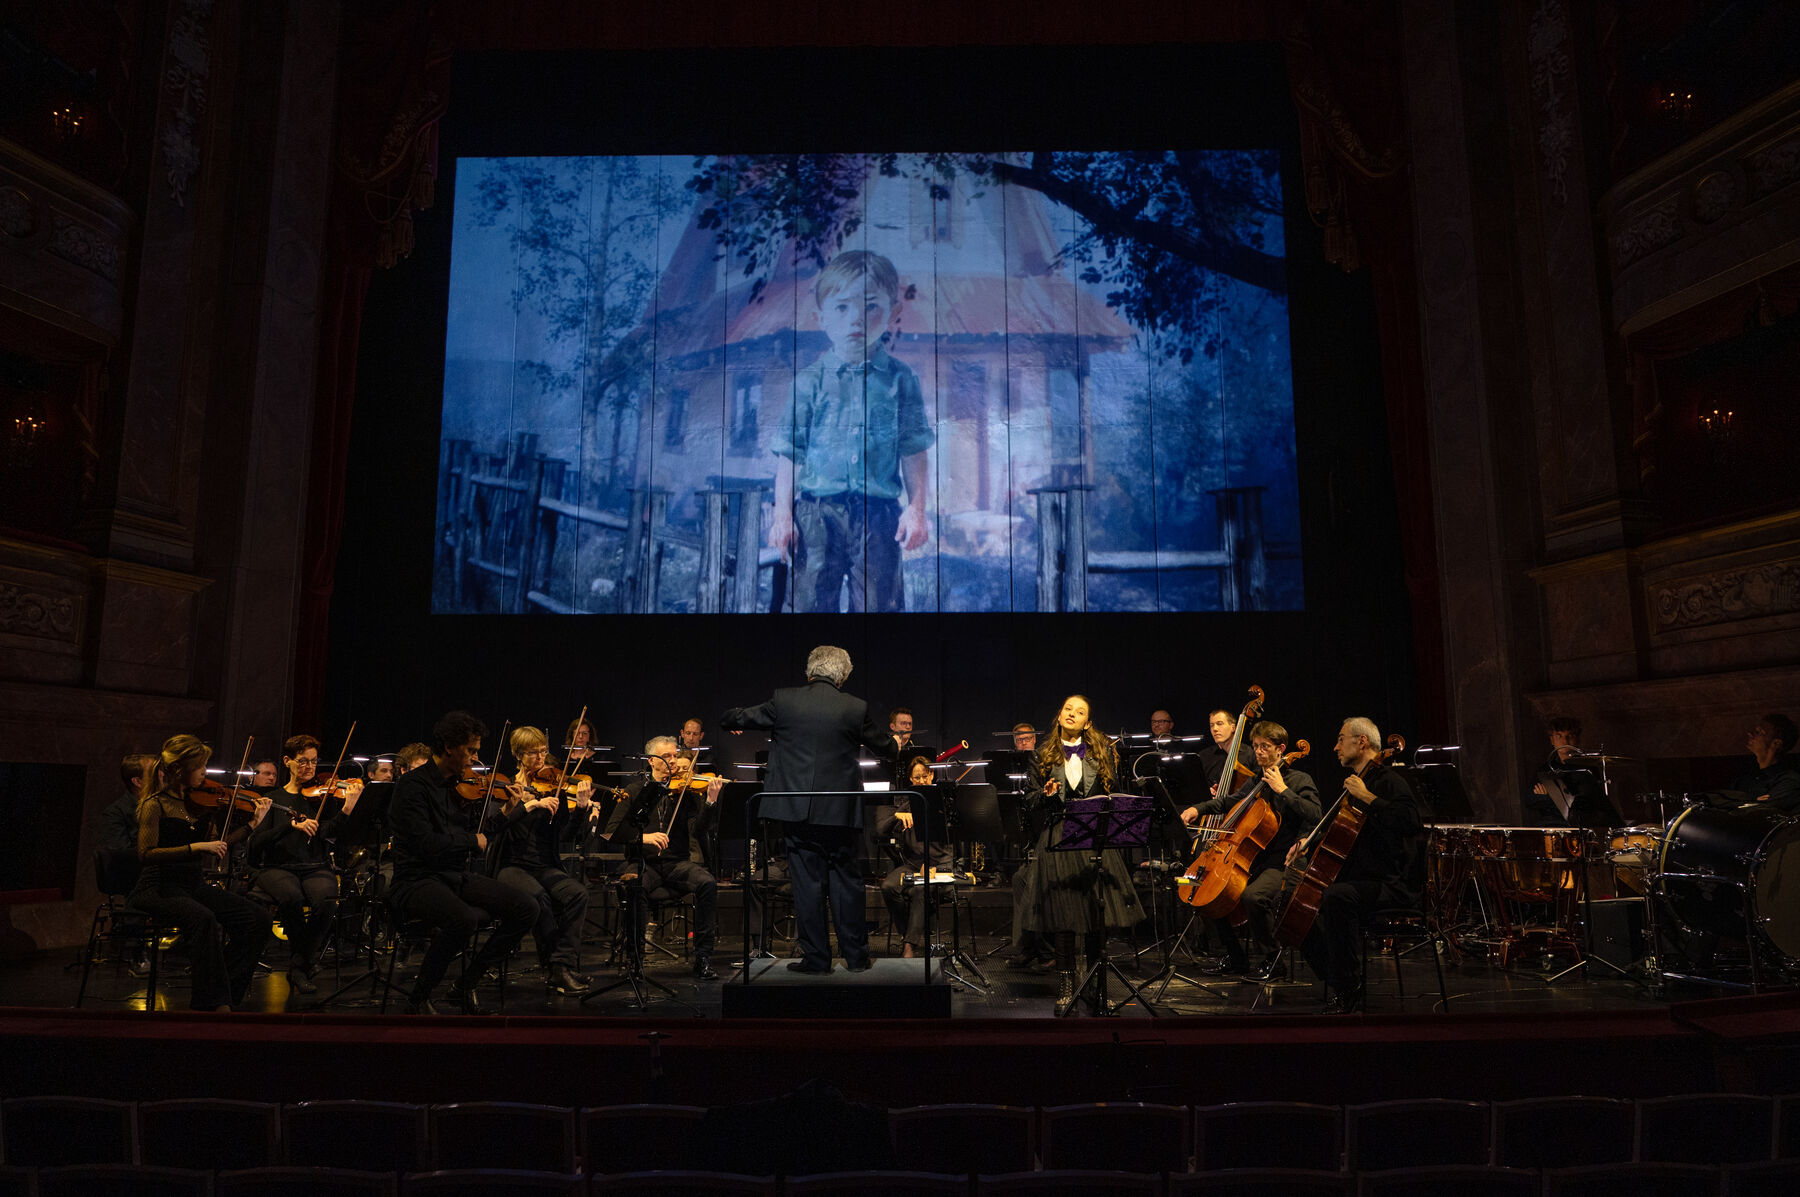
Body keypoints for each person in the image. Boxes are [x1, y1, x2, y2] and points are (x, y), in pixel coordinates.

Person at [768, 250, 935, 613]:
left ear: (893, 312)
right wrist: (783, 517)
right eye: (842, 307)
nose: (856, 318)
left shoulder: (901, 380)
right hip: (815, 515)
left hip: (879, 518)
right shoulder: (807, 383)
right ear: (821, 317)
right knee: (809, 607)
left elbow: (914, 449)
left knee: (880, 608)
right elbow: (790, 455)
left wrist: (917, 510)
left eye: (871, 306)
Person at [721, 644, 894, 972]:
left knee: (808, 885)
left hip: (795, 810)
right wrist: (895, 743)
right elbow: (887, 748)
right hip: (840, 812)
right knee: (847, 883)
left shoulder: (784, 701)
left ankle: (816, 959)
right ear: (842, 676)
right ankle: (856, 958)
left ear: (810, 671)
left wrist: (731, 720)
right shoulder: (854, 707)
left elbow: (735, 717)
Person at [387, 711, 538, 1015]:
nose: (475, 757)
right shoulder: (412, 787)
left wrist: (507, 811)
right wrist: (471, 841)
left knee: (527, 908)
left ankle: (466, 984)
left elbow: (481, 834)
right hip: (415, 879)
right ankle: (419, 997)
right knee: (464, 920)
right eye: (470, 750)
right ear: (448, 747)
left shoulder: (461, 785)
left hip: (453, 875)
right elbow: (427, 844)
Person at [127, 735, 274, 1011]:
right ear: (179, 769)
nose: (205, 772)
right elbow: (146, 854)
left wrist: (252, 825)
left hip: (192, 885)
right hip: (157, 887)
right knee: (203, 918)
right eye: (199, 766)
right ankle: (212, 1002)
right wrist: (194, 847)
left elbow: (217, 845)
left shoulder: (200, 804)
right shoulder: (155, 805)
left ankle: (224, 995)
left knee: (258, 919)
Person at [1290, 717, 1423, 1014]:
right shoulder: (1356, 783)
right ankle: (1338, 979)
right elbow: (1339, 829)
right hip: (1360, 879)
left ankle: (1348, 987)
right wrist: (1308, 842)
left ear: (1361, 742)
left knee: (1337, 897)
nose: (1335, 747)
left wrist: (1367, 797)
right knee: (1293, 900)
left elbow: (1411, 821)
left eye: (1341, 739)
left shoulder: (1389, 781)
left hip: (1390, 883)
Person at [1022, 695, 1146, 1013]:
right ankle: (1067, 986)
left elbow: (1110, 795)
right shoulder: (1041, 755)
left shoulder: (1100, 753)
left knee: (1096, 914)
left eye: (1079, 712)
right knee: (1065, 916)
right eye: (1068, 709)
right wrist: (1047, 795)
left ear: (1087, 723)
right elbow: (1031, 801)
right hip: (1059, 836)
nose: (1072, 714)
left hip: (1093, 835)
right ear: (1059, 715)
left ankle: (1095, 985)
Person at [1178, 720, 1321, 979]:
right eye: (1255, 746)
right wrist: (1197, 808)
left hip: (1284, 861)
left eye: (1265, 746)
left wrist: (1283, 790)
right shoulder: (1257, 781)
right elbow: (1229, 801)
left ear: (1281, 749)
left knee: (1254, 897)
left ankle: (1273, 961)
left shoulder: (1299, 780)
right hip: (1252, 860)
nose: (1258, 751)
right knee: (1204, 892)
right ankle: (1236, 957)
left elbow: (1315, 815)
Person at [602, 735, 724, 980]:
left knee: (707, 883)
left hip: (676, 863)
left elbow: (697, 830)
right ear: (651, 761)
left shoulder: (685, 793)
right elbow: (611, 832)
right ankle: (635, 960)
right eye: (666, 756)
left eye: (674, 755)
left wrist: (710, 802)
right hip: (643, 863)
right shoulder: (634, 791)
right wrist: (645, 838)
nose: (674, 761)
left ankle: (703, 957)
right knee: (634, 885)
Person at [247, 734, 361, 995]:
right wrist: (291, 826)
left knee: (327, 900)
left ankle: (299, 963)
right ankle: (304, 964)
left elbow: (328, 832)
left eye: (313, 761)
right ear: (288, 761)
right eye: (303, 761)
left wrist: (347, 809)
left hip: (315, 865)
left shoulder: (323, 797)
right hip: (278, 867)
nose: (310, 767)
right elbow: (256, 842)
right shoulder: (273, 798)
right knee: (291, 897)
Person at [487, 725, 595, 994]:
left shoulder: (553, 788)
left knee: (578, 894)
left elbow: (566, 835)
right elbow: (494, 828)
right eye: (533, 753)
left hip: (544, 866)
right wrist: (527, 805)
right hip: (512, 866)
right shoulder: (505, 788)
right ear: (518, 755)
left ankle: (561, 965)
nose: (540, 758)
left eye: (543, 752)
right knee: (540, 898)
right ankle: (557, 970)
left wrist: (580, 809)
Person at [879, 756, 954, 958]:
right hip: (914, 864)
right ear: (911, 780)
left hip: (940, 865)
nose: (921, 781)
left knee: (920, 889)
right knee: (888, 887)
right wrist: (896, 816)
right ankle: (907, 935)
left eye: (925, 776)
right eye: (917, 778)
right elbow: (879, 831)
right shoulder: (907, 804)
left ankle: (909, 946)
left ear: (932, 775)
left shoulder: (944, 803)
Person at [1524, 716, 1620, 829]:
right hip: (1550, 825)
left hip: (1578, 826)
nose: (1565, 741)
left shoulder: (1587, 768)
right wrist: (1559, 799)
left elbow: (1586, 802)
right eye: (1559, 736)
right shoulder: (1545, 769)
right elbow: (1529, 800)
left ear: (1577, 740)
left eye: (1570, 736)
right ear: (1552, 740)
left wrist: (1549, 794)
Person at [1733, 714, 1800, 813]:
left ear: (1776, 743)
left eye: (1759, 732)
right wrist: (1752, 800)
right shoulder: (1745, 778)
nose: (1750, 734)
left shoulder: (1788, 781)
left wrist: (1745, 802)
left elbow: (1762, 813)